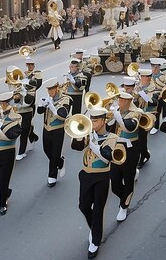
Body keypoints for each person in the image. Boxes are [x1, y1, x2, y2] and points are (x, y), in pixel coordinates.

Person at [71, 107, 123, 259]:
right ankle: (94, 227)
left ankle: (95, 241)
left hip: (102, 177)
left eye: (95, 120)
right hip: (85, 175)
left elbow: (107, 156)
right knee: (84, 206)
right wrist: (81, 137)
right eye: (91, 120)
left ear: (103, 120)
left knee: (98, 210)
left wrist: (92, 142)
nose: (92, 123)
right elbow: (76, 147)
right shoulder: (88, 133)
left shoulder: (112, 137)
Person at [108, 91, 141, 222]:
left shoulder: (136, 112)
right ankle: (125, 196)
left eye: (121, 101)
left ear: (127, 102)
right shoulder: (117, 110)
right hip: (116, 147)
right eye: (119, 100)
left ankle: (124, 205)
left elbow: (130, 128)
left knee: (128, 179)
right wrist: (109, 117)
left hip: (131, 149)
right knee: (115, 182)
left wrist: (118, 117)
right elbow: (108, 126)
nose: (119, 103)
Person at [36, 77, 71, 186]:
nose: (50, 92)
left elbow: (63, 115)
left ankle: (52, 176)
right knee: (47, 150)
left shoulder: (66, 99)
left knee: (55, 153)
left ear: (57, 88)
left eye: (52, 89)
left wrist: (52, 107)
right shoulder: (48, 98)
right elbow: (39, 111)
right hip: (46, 129)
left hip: (57, 130)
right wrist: (41, 105)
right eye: (48, 90)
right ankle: (60, 162)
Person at [16, 57, 41, 160]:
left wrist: (26, 85)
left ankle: (21, 152)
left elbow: (37, 84)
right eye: (28, 64)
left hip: (29, 105)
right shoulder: (23, 74)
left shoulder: (37, 73)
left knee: (24, 130)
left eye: (31, 64)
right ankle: (33, 137)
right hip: (20, 106)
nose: (30, 66)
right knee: (25, 126)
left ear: (34, 65)